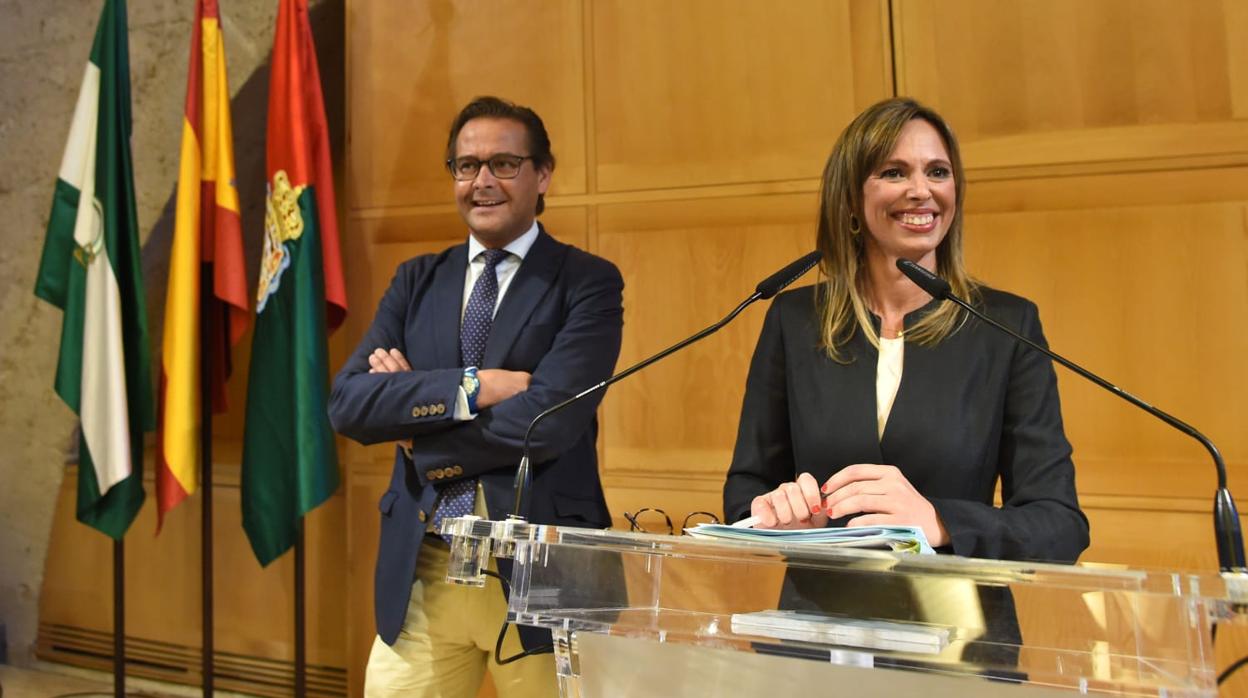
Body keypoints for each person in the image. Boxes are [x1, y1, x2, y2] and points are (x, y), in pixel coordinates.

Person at [329, 96, 624, 698]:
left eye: (504, 164)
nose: (482, 181)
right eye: (466, 166)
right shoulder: (417, 281)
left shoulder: (586, 283)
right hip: (425, 567)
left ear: (542, 175)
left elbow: (548, 423)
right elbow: (350, 404)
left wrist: (421, 437)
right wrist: (473, 386)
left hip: (541, 576)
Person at [723, 97, 1089, 564]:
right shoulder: (794, 320)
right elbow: (746, 489)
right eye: (894, 172)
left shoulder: (1006, 326)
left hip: (956, 624)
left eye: (938, 172)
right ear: (852, 197)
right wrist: (779, 516)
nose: (921, 190)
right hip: (818, 617)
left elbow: (1059, 524)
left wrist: (937, 521)